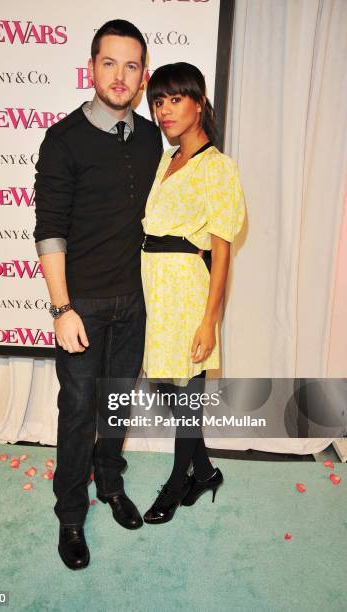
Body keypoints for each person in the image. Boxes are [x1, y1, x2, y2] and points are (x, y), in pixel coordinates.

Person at [34, 20, 163, 569]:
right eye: (109, 63)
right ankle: (69, 514)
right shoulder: (63, 139)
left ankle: (109, 483)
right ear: (91, 68)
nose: (120, 75)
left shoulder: (153, 137)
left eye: (131, 65)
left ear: (143, 76)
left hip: (133, 303)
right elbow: (50, 229)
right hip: (81, 305)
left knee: (115, 405)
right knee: (79, 409)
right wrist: (62, 309)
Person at [141, 62, 245, 524]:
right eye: (158, 102)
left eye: (174, 99)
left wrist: (210, 320)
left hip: (186, 291)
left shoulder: (217, 167)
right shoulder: (167, 159)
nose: (164, 110)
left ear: (199, 102)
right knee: (167, 387)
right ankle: (204, 471)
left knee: (185, 395)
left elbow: (221, 253)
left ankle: (179, 479)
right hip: (155, 290)